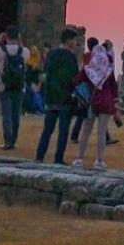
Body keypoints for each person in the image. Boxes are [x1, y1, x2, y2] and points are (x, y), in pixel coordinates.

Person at [35, 28, 79, 165]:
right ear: (68, 41)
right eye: (74, 40)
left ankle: (39, 156)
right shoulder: (70, 57)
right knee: (63, 131)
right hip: (65, 98)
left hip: (51, 97)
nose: (76, 43)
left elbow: (46, 73)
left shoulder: (52, 54)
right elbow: (74, 78)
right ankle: (58, 158)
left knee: (47, 129)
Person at [73, 36, 115, 170]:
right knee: (101, 132)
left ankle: (79, 159)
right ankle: (99, 160)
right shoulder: (108, 70)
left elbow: (76, 81)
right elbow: (114, 88)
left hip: (91, 102)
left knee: (86, 131)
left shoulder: (88, 69)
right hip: (106, 102)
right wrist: (117, 104)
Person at [0, 28, 30, 151]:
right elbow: (26, 58)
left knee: (6, 115)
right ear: (18, 37)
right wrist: (20, 41)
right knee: (16, 114)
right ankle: (14, 140)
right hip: (19, 87)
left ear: (6, 37)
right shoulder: (24, 51)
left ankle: (8, 141)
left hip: (3, 86)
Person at [24, 46, 45, 114]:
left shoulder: (40, 63)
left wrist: (39, 84)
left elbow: (43, 75)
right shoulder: (28, 62)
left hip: (38, 86)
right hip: (31, 86)